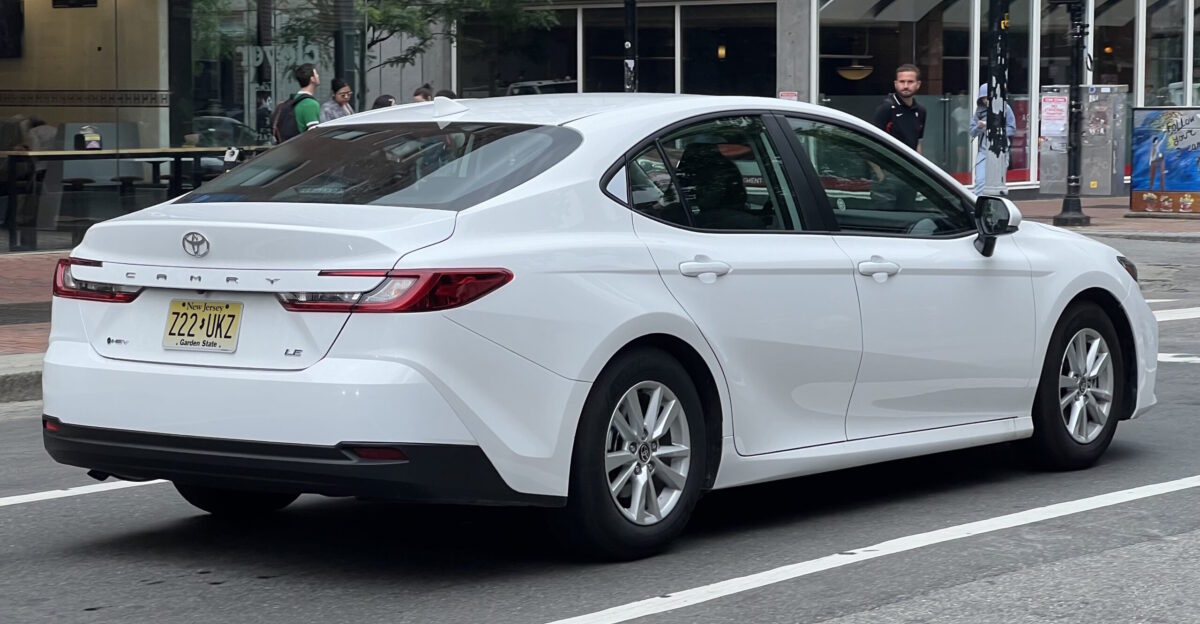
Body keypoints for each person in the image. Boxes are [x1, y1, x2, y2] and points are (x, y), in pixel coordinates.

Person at [969, 83, 1017, 196]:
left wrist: (997, 130)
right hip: (984, 151)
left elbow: (1012, 128)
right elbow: (972, 131)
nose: (986, 101)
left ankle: (994, 203)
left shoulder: (1006, 109)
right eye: (984, 98)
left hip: (1001, 150)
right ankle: (978, 203)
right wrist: (979, 127)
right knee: (980, 180)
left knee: (998, 183)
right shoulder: (979, 112)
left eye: (988, 97)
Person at [872, 64, 926, 152]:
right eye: (902, 81)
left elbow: (917, 142)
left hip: (908, 160)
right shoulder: (886, 108)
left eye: (910, 82)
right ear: (896, 84)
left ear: (918, 84)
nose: (906, 86)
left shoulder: (921, 111)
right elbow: (874, 142)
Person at [271, 63, 321, 142]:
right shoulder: (310, 104)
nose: (318, 76)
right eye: (316, 74)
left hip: (287, 146)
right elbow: (314, 136)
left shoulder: (290, 101)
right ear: (312, 79)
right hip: (303, 148)